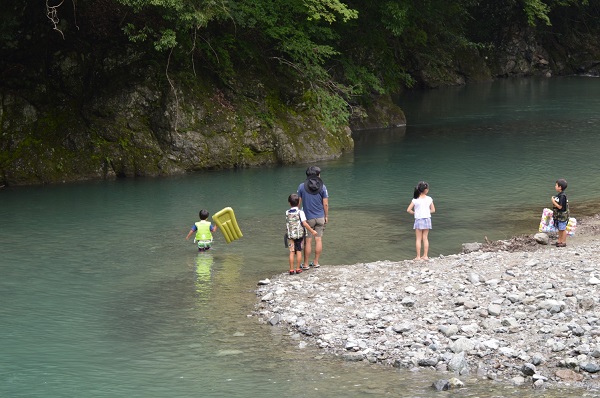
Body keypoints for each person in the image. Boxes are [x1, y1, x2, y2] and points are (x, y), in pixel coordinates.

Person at [297, 166, 328, 269]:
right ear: (317, 175)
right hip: (320, 217)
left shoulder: (301, 186)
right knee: (318, 240)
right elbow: (325, 204)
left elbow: (298, 203)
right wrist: (326, 216)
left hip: (308, 218)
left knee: (308, 241)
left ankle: (305, 264)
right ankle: (316, 262)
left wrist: (298, 215)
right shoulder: (323, 187)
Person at [286, 194, 317, 275]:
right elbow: (304, 223)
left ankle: (291, 269)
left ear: (289, 203)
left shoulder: (287, 212)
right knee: (299, 251)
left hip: (290, 235)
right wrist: (312, 231)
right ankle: (298, 268)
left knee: (292, 252)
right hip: (299, 235)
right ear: (299, 202)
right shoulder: (300, 212)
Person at [406, 181, 436, 261]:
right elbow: (433, 210)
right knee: (425, 238)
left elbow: (408, 210)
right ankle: (425, 256)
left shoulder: (415, 200)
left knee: (418, 239)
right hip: (427, 219)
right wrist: (426, 211)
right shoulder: (429, 199)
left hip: (419, 220)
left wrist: (414, 213)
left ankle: (418, 257)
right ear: (426, 190)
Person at [551, 178, 569, 247]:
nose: (555, 186)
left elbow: (560, 207)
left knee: (562, 229)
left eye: (556, 185)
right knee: (559, 229)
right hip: (559, 216)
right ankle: (559, 241)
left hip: (562, 216)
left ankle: (563, 242)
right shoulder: (560, 194)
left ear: (560, 187)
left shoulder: (562, 196)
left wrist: (553, 201)